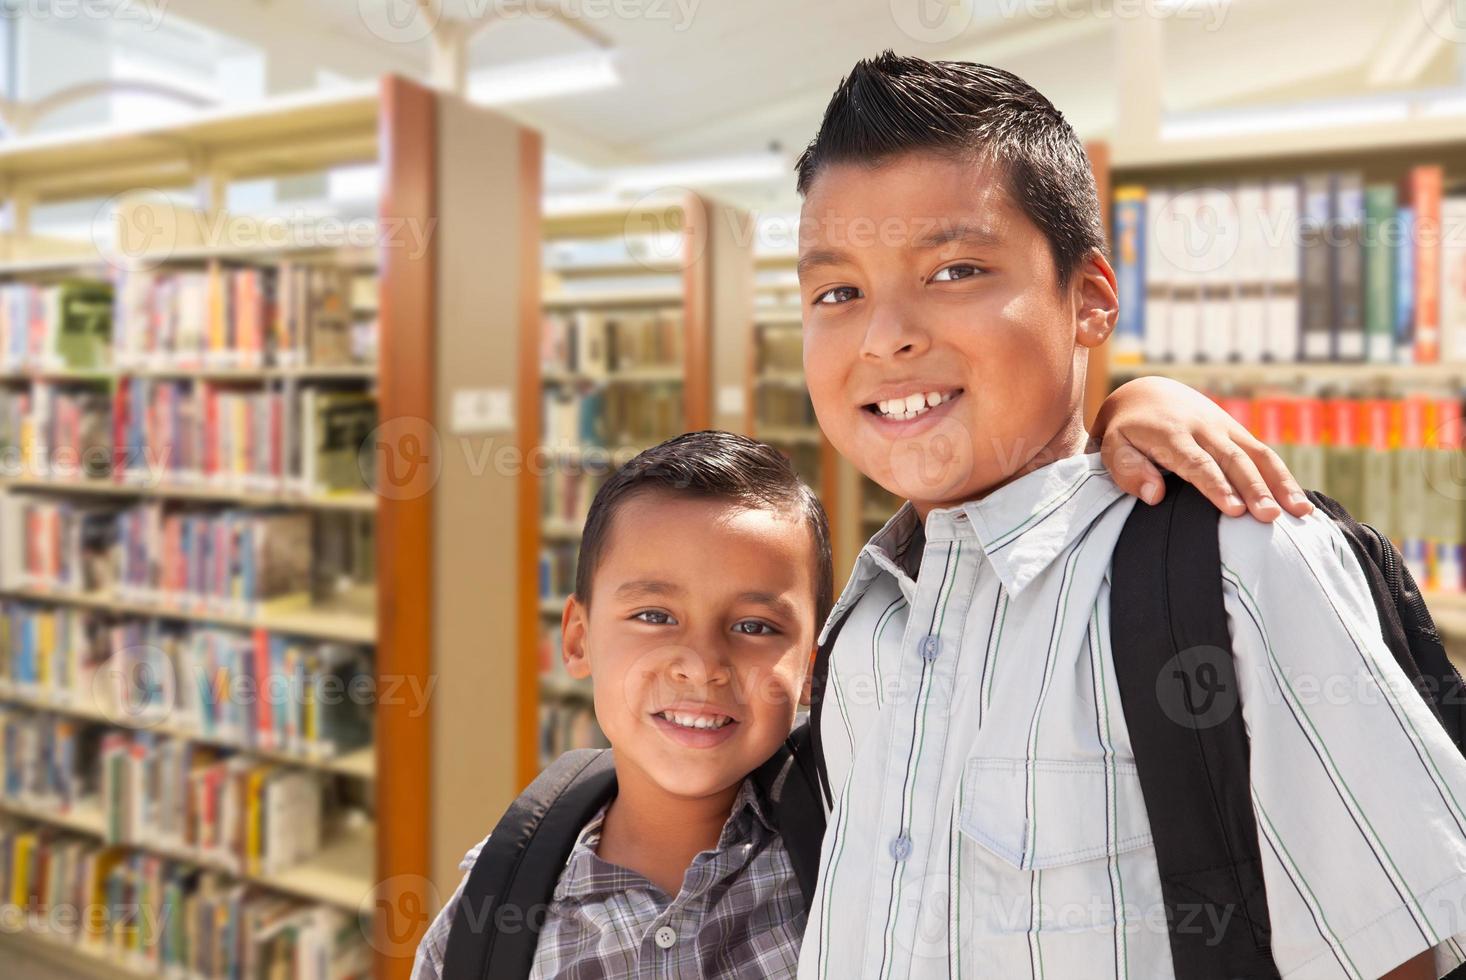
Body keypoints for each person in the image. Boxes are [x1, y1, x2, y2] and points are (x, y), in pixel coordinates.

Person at [794, 51, 1462, 980]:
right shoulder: (862, 628)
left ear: (1091, 300)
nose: (884, 334)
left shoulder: (1239, 565)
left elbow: (1393, 960)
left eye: (954, 270)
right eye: (837, 291)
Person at [411, 385, 1307, 978]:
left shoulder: (869, 839)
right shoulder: (496, 908)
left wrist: (1133, 401)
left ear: (817, 665)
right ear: (576, 638)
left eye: (758, 627)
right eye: (652, 615)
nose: (703, 662)